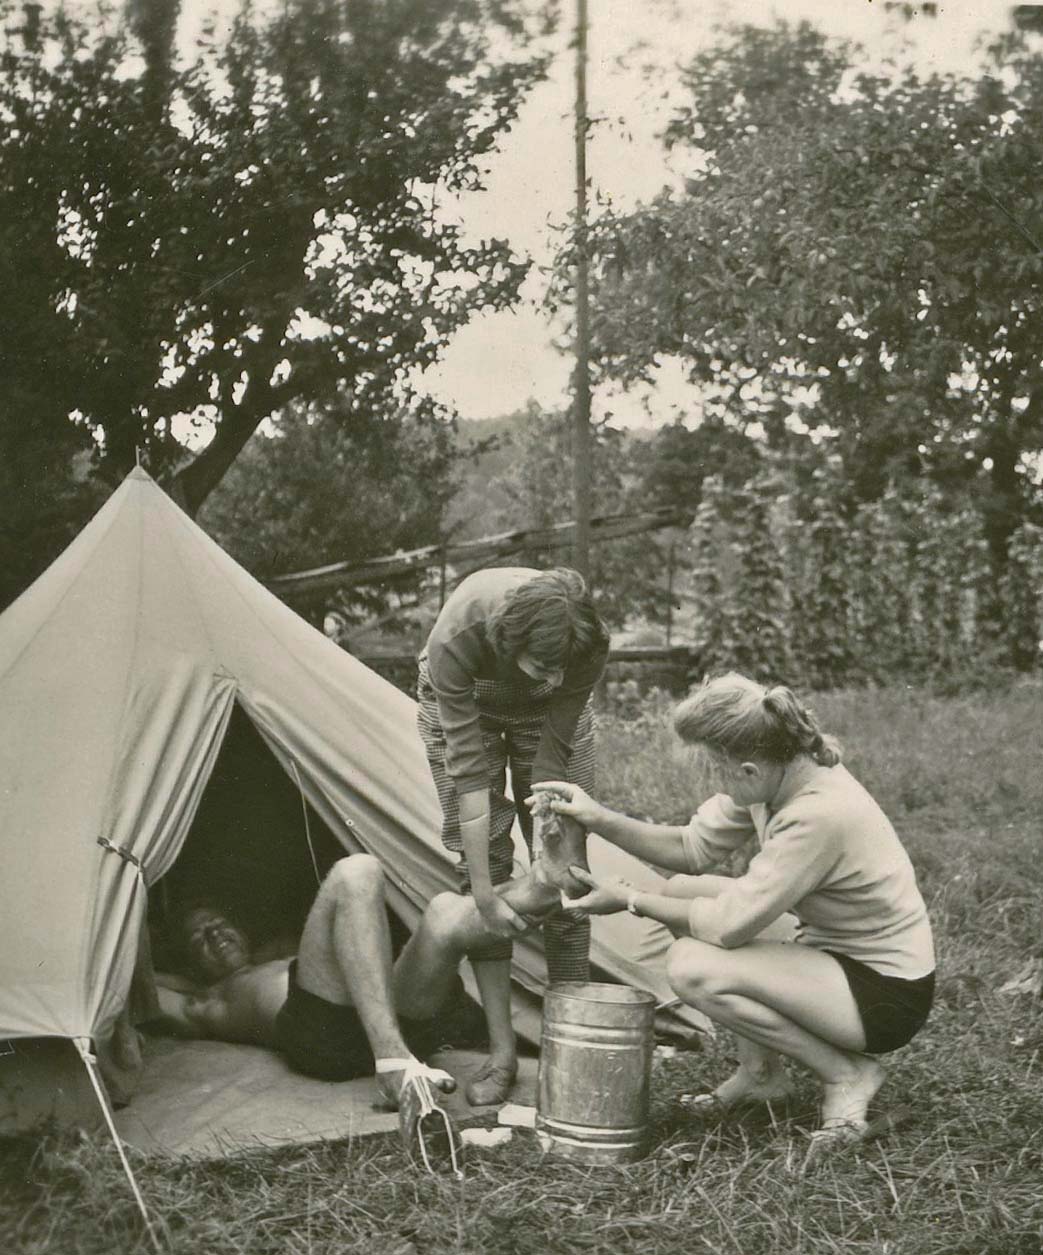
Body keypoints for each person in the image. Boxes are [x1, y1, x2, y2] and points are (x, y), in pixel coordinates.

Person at [531, 672, 936, 1160]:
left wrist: (630, 898)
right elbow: (691, 848)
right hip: (834, 955)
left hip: (884, 994)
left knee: (692, 966)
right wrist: (599, 817)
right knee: (684, 891)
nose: (716, 785)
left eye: (717, 772)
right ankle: (761, 1076)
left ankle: (848, 1075)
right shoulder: (780, 769)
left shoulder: (818, 815)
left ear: (747, 769)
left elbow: (727, 926)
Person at [417, 566, 610, 1106]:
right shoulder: (456, 638)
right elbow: (470, 780)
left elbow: (554, 747)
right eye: (545, 665)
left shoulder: (586, 641)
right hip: (464, 704)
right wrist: (482, 895)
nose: (553, 676)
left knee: (568, 873)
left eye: (562, 668)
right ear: (510, 638)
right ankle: (502, 1056)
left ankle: (566, 1048)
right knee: (487, 864)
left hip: (546, 722)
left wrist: (552, 811)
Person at [155, 855, 472, 1174]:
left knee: (446, 910)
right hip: (320, 1034)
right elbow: (134, 983)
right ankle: (395, 1067)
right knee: (356, 871)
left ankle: (524, 894)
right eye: (200, 939)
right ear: (191, 964)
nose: (215, 936)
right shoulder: (204, 1000)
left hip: (391, 1023)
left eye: (219, 925)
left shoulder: (279, 954)